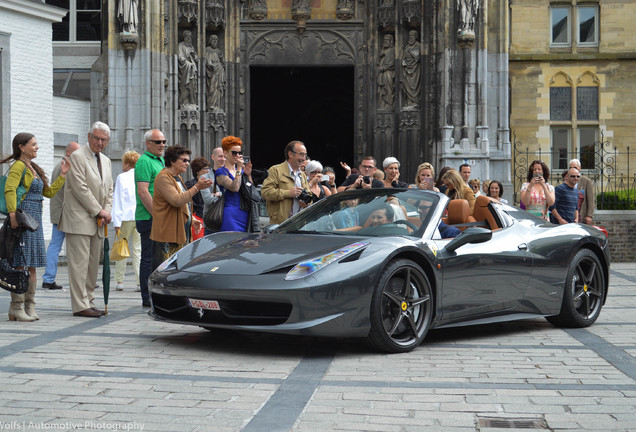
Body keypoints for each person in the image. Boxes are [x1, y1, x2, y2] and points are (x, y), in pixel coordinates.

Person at [2, 133, 69, 321]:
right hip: (23, 220)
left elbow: (48, 192)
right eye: (33, 144)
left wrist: (62, 175)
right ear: (21, 147)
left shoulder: (34, 168)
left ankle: (29, 306)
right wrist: (13, 214)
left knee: (32, 265)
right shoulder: (18, 166)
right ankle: (16, 307)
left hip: (35, 222)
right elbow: (10, 190)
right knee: (20, 263)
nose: (37, 147)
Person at [58, 122, 113, 318]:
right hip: (79, 218)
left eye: (103, 139)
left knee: (92, 265)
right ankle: (80, 304)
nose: (99, 142)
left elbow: (109, 190)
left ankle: (89, 300)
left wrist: (106, 210)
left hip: (98, 220)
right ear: (88, 137)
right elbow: (80, 188)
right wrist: (100, 211)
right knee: (79, 265)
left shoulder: (105, 160)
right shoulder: (77, 156)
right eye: (96, 138)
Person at [150, 145, 212, 270]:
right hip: (167, 234)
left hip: (179, 232)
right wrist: (196, 187)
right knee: (165, 272)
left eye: (188, 160)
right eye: (184, 160)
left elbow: (184, 202)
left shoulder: (177, 177)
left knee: (176, 270)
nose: (187, 163)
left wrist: (191, 219)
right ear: (172, 161)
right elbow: (177, 200)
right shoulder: (163, 177)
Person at [42, 141, 80, 290]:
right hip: (65, 213)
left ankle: (48, 278)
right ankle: (50, 278)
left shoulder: (61, 165)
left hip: (60, 212)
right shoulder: (66, 167)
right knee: (69, 247)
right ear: (69, 152)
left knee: (56, 245)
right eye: (77, 152)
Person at [135, 129, 166, 308]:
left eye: (163, 141)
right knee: (148, 258)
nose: (162, 145)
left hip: (159, 216)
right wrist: (157, 215)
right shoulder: (144, 161)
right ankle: (147, 297)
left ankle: (156, 293)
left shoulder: (160, 160)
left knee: (159, 258)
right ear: (148, 144)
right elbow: (143, 191)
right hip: (149, 216)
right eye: (157, 142)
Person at [213, 136, 260, 232]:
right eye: (234, 153)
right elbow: (234, 188)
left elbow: (252, 192)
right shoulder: (221, 172)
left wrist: (248, 175)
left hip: (245, 213)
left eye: (240, 153)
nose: (237, 156)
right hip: (230, 214)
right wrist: (239, 168)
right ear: (225, 153)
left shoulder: (241, 171)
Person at [261, 140, 311, 225]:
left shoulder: (302, 175)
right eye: (301, 154)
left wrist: (306, 203)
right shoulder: (275, 170)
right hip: (280, 225)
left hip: (300, 224)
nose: (304, 158)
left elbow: (309, 196)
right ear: (290, 154)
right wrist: (288, 193)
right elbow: (265, 192)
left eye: (305, 155)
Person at [112, 150, 141, 291]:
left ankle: (120, 281)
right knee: (138, 251)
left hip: (125, 217)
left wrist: (116, 222)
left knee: (121, 248)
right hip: (140, 216)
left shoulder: (121, 177)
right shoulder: (141, 175)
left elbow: (118, 199)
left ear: (127, 163)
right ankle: (139, 282)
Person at [569, 159, 595, 224]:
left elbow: (590, 199)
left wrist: (589, 215)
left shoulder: (586, 181)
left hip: (582, 215)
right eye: (570, 168)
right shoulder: (567, 181)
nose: (572, 169)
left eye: (575, 167)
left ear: (579, 168)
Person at [178, 30, 198, 108]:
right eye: (187, 37)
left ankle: (192, 99)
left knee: (192, 84)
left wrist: (194, 57)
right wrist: (187, 63)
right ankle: (184, 101)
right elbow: (180, 57)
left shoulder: (191, 47)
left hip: (192, 70)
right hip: (185, 69)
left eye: (190, 37)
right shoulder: (180, 45)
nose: (189, 39)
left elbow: (196, 58)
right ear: (184, 37)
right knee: (185, 84)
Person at [205, 34, 226, 111]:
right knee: (212, 89)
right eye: (213, 40)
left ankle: (217, 105)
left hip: (219, 72)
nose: (215, 41)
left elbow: (223, 61)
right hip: (212, 73)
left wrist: (223, 63)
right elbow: (206, 61)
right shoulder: (207, 50)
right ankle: (211, 105)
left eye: (216, 40)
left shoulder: (218, 51)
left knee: (218, 89)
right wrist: (211, 65)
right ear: (210, 41)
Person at [402, 30, 421, 108]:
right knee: (407, 85)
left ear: (416, 37)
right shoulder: (407, 46)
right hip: (407, 69)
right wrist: (403, 62)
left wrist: (411, 51)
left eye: (412, 36)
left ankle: (415, 102)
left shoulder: (418, 45)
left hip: (415, 69)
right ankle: (409, 102)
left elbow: (417, 57)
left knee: (414, 85)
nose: (410, 37)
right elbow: (403, 56)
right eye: (409, 36)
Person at [377, 34, 395, 109]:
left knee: (388, 89)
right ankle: (382, 104)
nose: (385, 41)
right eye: (384, 40)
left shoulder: (393, 50)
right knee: (382, 90)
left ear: (391, 41)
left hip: (388, 73)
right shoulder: (383, 50)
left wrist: (383, 68)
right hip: (382, 74)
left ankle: (389, 104)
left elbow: (392, 63)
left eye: (387, 40)